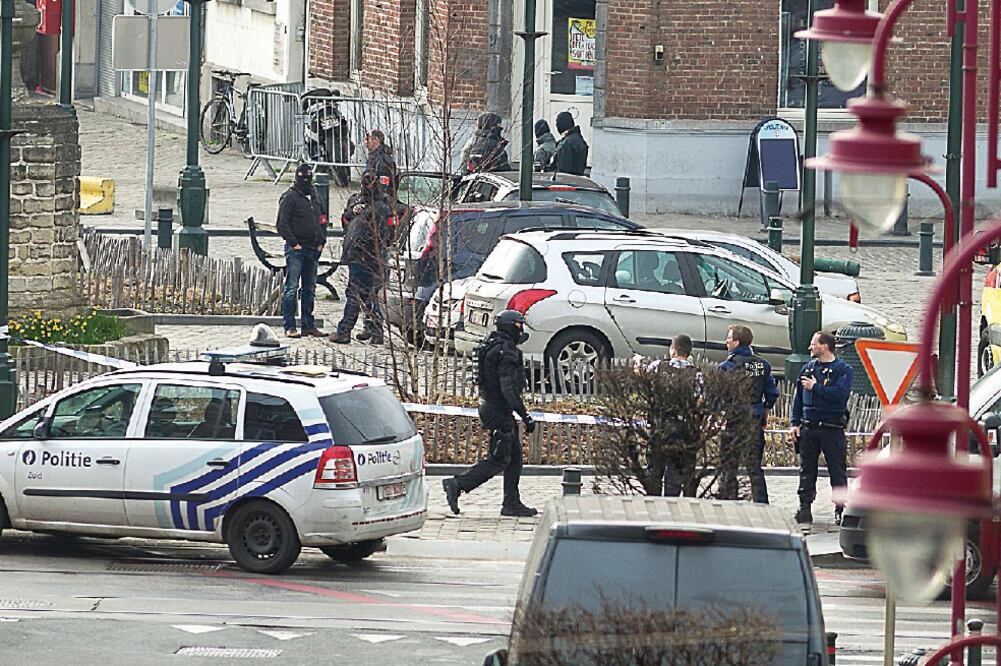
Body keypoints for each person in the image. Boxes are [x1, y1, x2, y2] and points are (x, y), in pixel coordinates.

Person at [442, 310, 538, 517]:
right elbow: (508, 389)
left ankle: (511, 502)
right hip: (498, 411)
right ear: (511, 327)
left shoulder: (491, 343)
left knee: (514, 458)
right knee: (499, 459)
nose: (521, 331)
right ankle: (458, 484)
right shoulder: (506, 351)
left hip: (490, 406)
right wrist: (525, 416)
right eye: (519, 326)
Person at [791, 331, 854, 525]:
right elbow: (798, 398)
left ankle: (840, 508)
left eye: (813, 343)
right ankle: (804, 507)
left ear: (825, 346)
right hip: (809, 427)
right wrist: (794, 423)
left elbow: (840, 395)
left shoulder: (843, 369)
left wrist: (816, 387)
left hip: (831, 427)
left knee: (837, 470)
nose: (810, 347)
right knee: (806, 470)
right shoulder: (808, 368)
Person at [717, 325, 779, 504]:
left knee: (729, 465)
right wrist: (765, 410)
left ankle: (728, 500)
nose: (726, 341)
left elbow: (718, 396)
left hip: (733, 420)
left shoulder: (726, 366)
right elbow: (772, 394)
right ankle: (761, 504)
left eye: (729, 338)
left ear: (736, 342)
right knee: (754, 468)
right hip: (754, 420)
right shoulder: (762, 364)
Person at [330, 172, 394, 345]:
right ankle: (374, 329)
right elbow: (346, 218)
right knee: (367, 294)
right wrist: (352, 211)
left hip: (367, 255)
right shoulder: (357, 200)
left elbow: (385, 233)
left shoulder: (381, 206)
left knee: (356, 293)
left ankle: (345, 330)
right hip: (358, 254)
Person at [277, 163, 327, 339]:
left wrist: (322, 240)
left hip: (313, 248)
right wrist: (293, 243)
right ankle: (289, 326)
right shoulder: (289, 197)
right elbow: (282, 223)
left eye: (308, 176)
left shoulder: (315, 196)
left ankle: (308, 325)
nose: (305, 179)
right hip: (297, 249)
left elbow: (323, 219)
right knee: (291, 288)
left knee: (309, 289)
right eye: (302, 176)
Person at [660, 334, 703, 497]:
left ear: (673, 350)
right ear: (689, 352)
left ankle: (661, 500)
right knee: (680, 467)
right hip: (686, 425)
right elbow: (701, 400)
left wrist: (637, 363)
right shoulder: (696, 373)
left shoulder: (659, 367)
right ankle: (680, 500)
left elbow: (641, 378)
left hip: (661, 425)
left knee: (657, 468)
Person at [551, 111, 589, 176]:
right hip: (577, 178)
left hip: (566, 179)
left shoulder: (567, 143)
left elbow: (563, 169)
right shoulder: (578, 139)